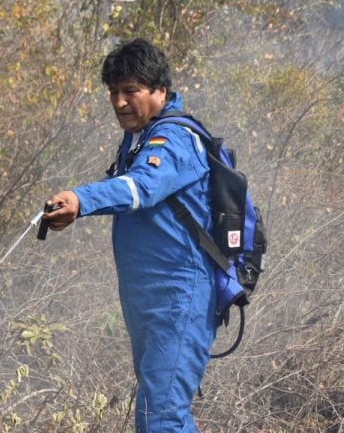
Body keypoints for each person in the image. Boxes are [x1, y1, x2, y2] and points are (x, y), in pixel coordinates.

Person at [43, 38, 217, 432]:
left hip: (180, 295)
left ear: (161, 91)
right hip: (147, 297)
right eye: (113, 92)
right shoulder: (138, 137)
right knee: (157, 410)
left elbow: (141, 188)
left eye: (130, 91)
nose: (120, 102)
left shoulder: (173, 139)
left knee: (161, 417)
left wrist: (80, 199)